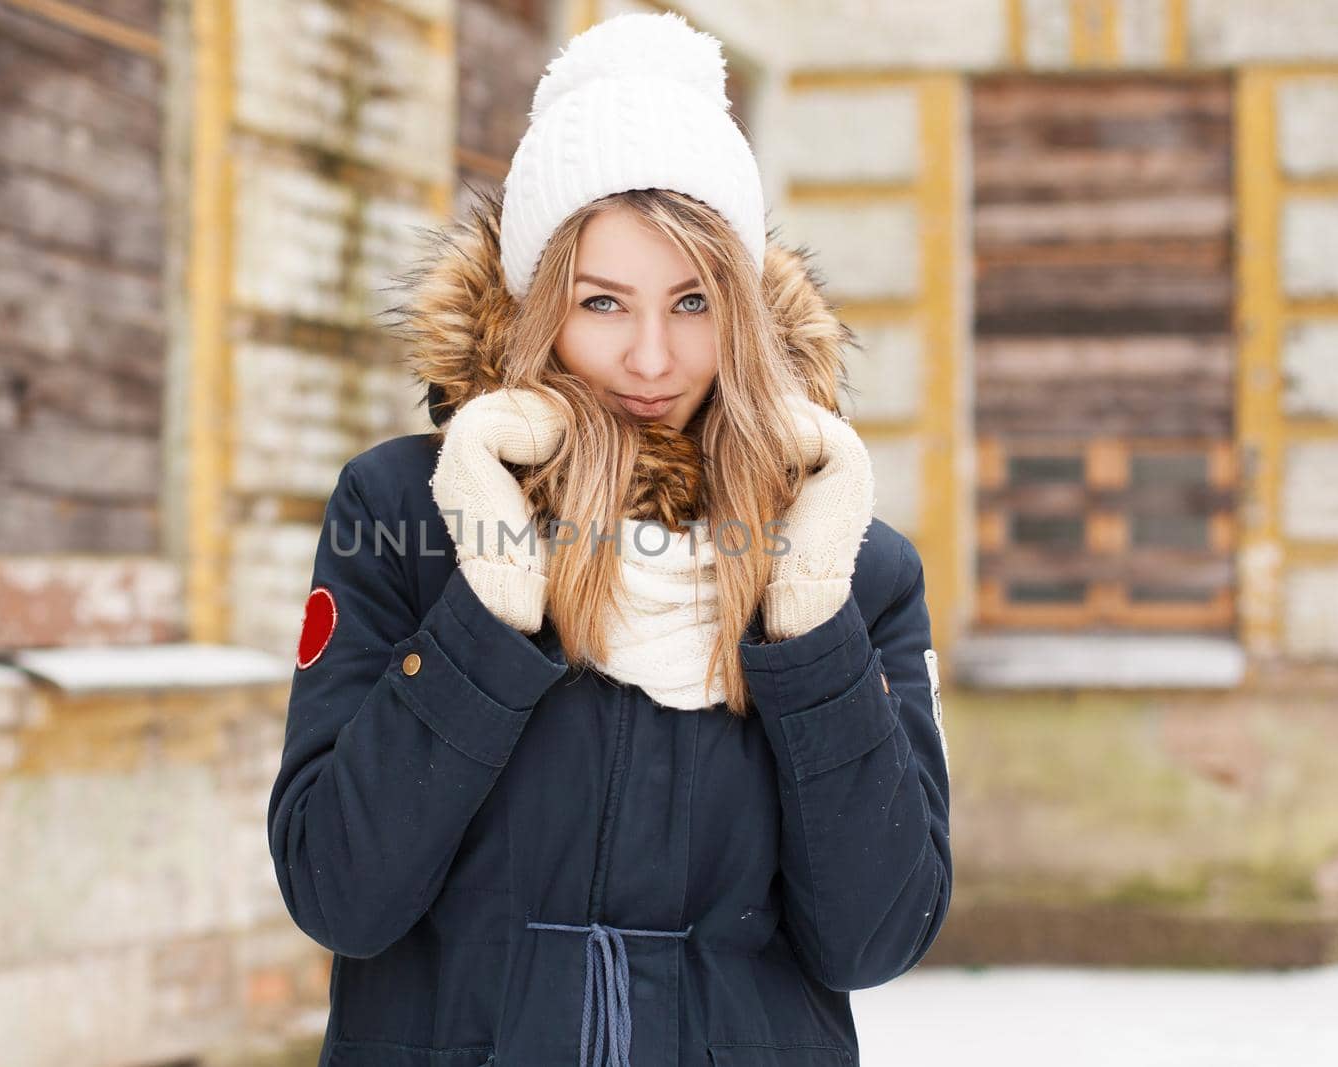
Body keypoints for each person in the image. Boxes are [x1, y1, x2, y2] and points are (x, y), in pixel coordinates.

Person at [267, 12, 952, 1067]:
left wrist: (809, 622)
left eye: (691, 302)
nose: (650, 357)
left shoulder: (850, 559)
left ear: (744, 310)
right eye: (601, 302)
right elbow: (339, 891)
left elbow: (874, 932)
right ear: (537, 305)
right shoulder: (408, 514)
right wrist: (490, 610)